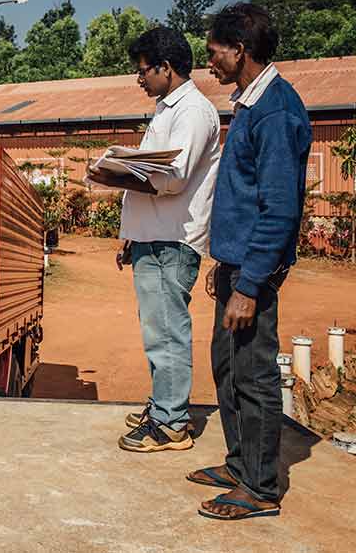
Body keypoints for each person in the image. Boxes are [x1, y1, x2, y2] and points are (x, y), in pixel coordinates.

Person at [190, 3, 311, 520]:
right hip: (238, 267)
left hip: (253, 276)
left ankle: (260, 488)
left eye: (214, 52)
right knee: (227, 366)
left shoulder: (277, 111)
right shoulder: (250, 104)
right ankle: (241, 464)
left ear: (240, 50)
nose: (209, 62)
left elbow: (279, 207)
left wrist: (250, 283)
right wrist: (228, 264)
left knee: (254, 374)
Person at [89, 27, 221, 453]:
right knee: (156, 329)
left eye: (143, 70)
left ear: (166, 67)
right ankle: (164, 404)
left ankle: (171, 424)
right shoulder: (168, 110)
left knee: (167, 331)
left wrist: (120, 170)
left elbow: (173, 176)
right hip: (153, 235)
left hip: (172, 238)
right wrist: (130, 233)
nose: (139, 78)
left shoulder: (194, 112)